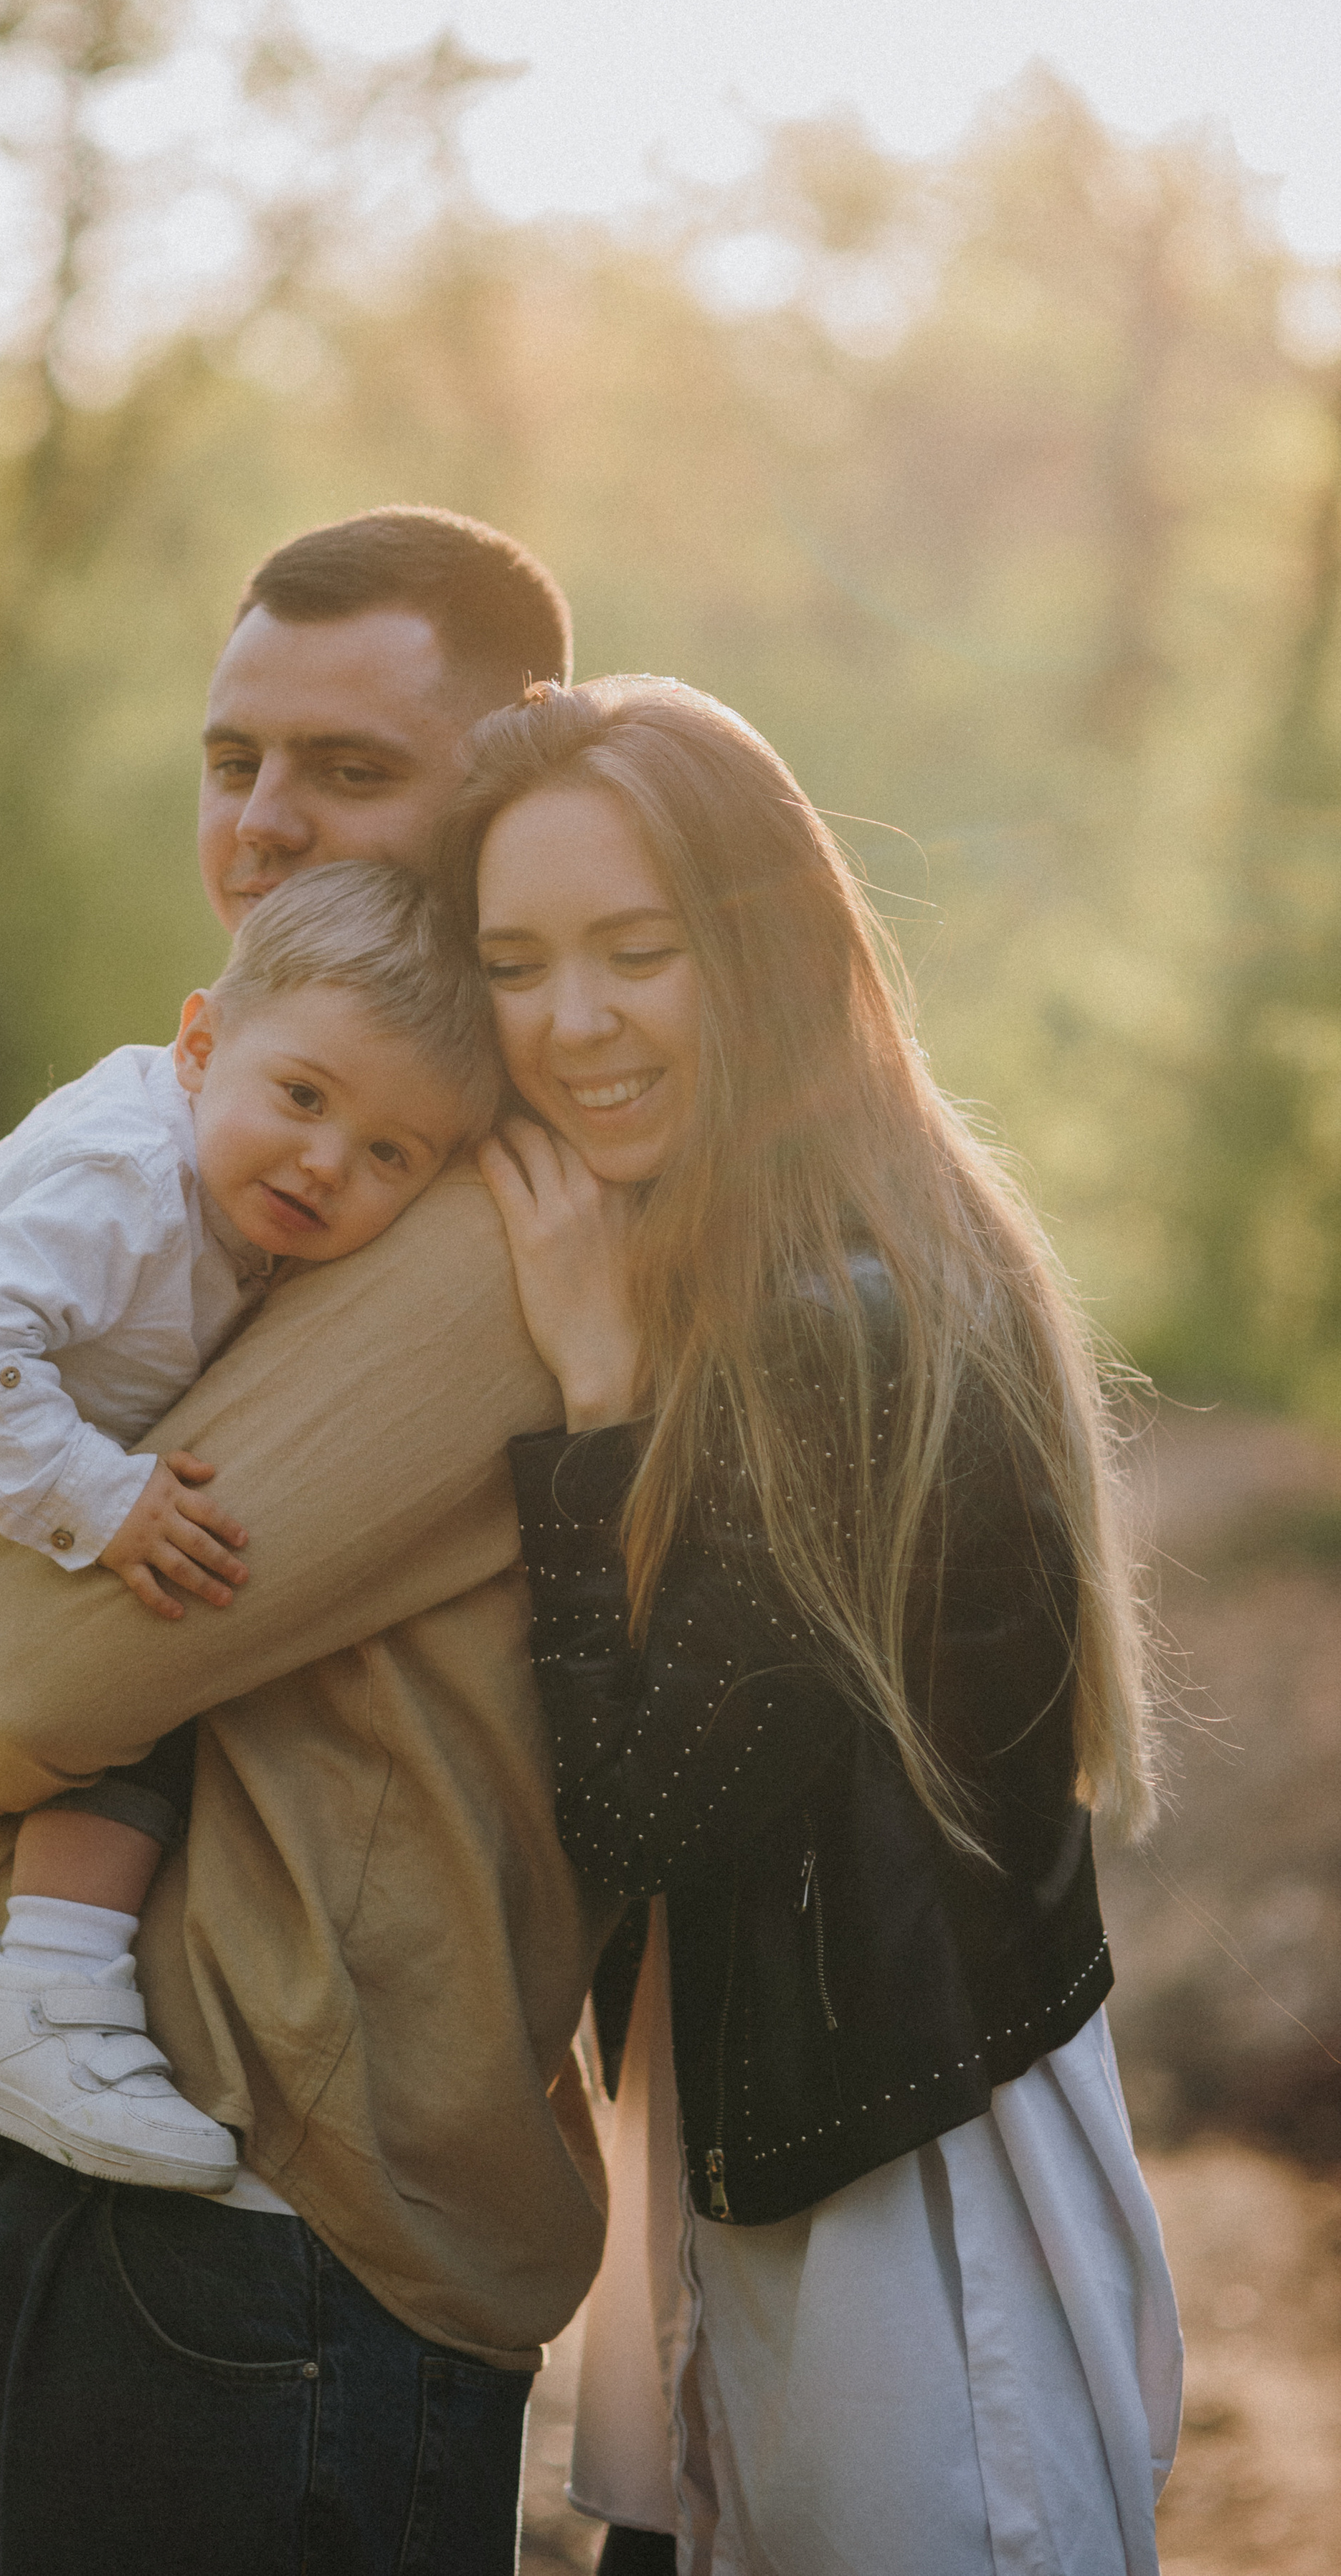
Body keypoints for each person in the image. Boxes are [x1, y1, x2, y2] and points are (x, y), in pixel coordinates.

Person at [0, 508, 612, 2574]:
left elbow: (10, 1680)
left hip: (290, 2185)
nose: (269, 826)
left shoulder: (479, 1200)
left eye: (352, 771)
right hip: (142, 2125)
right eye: (236, 764)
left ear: (512, 775)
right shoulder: (220, 1134)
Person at [441, 675, 1184, 2576]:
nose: (575, 1021)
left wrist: (589, 1422)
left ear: (760, 951)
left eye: (638, 949)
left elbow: (638, 1813)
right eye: (518, 964)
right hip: (788, 2156)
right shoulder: (836, 1248)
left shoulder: (837, 1315)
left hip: (903, 2214)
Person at [0, 862, 497, 2191]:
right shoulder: (126, 1173)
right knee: (169, 1639)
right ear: (200, 1042)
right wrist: (99, 1494)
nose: (324, 1161)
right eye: (304, 1097)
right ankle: (49, 1999)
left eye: (389, 1155)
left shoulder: (214, 1158)